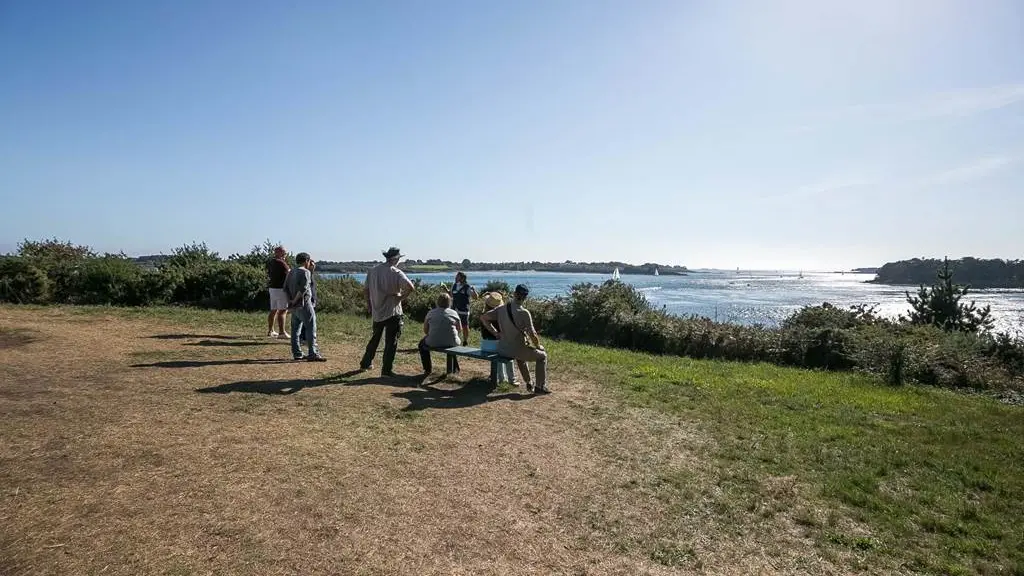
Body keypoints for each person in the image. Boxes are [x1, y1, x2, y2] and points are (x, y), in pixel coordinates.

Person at [479, 284, 548, 393]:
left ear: (514, 294)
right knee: (542, 356)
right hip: (517, 350)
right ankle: (540, 387)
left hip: (502, 350)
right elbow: (533, 334)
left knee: (521, 358)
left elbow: (483, 317)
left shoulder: (501, 309)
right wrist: (538, 346)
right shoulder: (524, 313)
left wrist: (496, 333)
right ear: (525, 297)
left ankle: (529, 383)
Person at [360, 247, 415, 376]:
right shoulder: (396, 272)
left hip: (377, 310)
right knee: (391, 342)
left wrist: (369, 305)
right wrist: (400, 298)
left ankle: (366, 363)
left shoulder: (373, 271)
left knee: (375, 338)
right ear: (395, 259)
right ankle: (386, 370)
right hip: (393, 311)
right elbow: (411, 287)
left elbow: (366, 290)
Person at [284, 252, 325, 362]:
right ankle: (313, 353)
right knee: (311, 328)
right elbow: (304, 289)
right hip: (304, 304)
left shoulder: (291, 272)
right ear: (306, 261)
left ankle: (297, 353)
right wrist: (296, 299)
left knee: (295, 330)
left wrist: (291, 301)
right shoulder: (305, 272)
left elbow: (285, 288)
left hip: (293, 306)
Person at [417, 292, 462, 374]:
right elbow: (460, 330)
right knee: (451, 344)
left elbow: (426, 331)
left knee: (421, 344)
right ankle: (455, 369)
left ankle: (427, 369)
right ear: (449, 302)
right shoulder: (454, 313)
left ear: (437, 302)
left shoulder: (431, 313)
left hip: (433, 342)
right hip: (452, 341)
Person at [479, 292, 516, 385]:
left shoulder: (484, 314)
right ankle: (510, 379)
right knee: (507, 353)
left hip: (485, 345)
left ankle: (501, 377)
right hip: (496, 345)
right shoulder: (501, 316)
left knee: (499, 350)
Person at [443, 272, 478, 345]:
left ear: (462, 278)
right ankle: (455, 338)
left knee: (465, 326)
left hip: (464, 311)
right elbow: (451, 295)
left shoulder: (467, 287)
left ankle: (465, 341)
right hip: (454, 310)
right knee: (454, 325)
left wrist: (474, 290)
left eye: (457, 277)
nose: (455, 278)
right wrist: (445, 288)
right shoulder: (454, 285)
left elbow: (475, 297)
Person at [265, 246, 291, 339]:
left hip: (272, 288)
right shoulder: (281, 262)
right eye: (284, 252)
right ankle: (282, 332)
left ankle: (271, 330)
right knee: (283, 310)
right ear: (279, 252)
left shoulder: (271, 262)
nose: (285, 254)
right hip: (280, 289)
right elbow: (289, 272)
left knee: (274, 310)